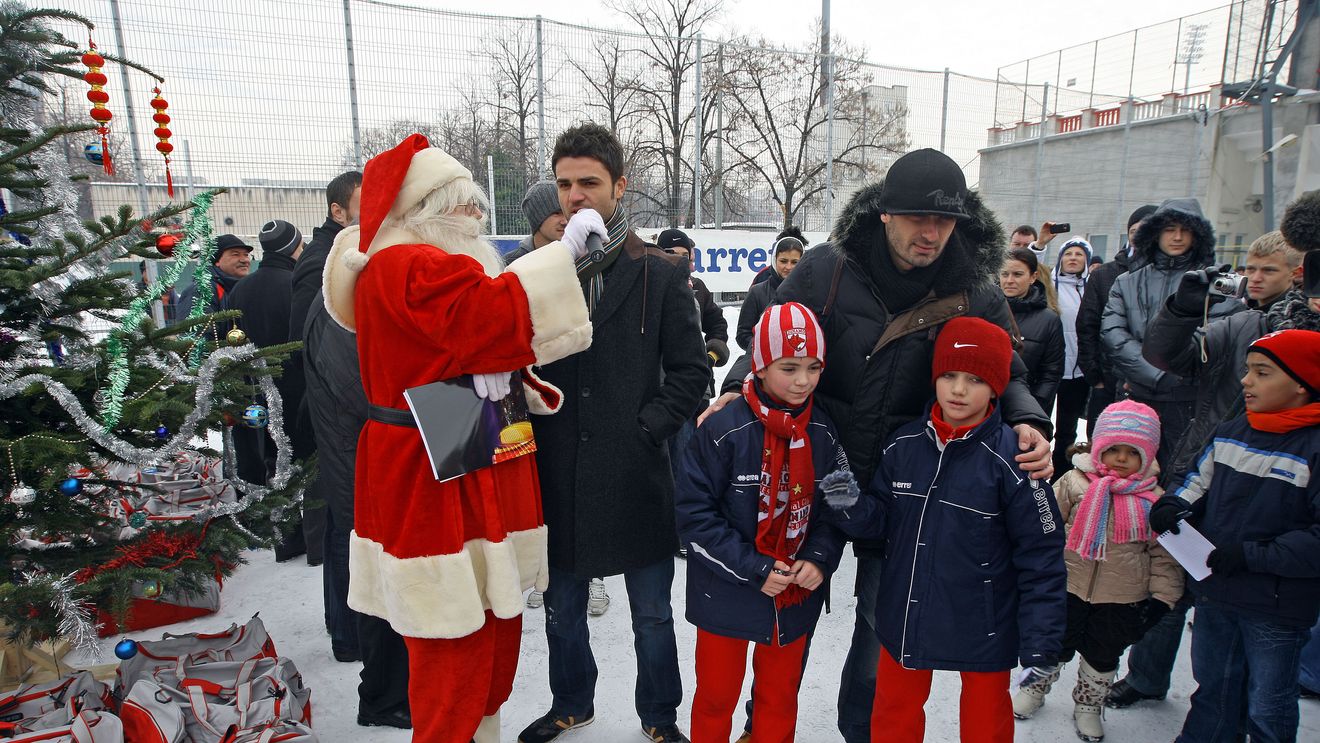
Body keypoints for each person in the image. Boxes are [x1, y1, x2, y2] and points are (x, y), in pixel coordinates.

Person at [702, 147, 1055, 743]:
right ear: (886, 214)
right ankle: (761, 728)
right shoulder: (827, 268)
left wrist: (1028, 420)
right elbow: (772, 341)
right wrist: (738, 387)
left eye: (945, 221)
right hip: (813, 473)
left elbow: (1006, 368)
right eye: (919, 217)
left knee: (879, 626)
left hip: (909, 488)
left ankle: (861, 733)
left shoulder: (971, 284)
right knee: (783, 610)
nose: (932, 232)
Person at [322, 133, 596, 743]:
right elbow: (487, 318)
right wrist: (562, 255)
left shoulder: (430, 261)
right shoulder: (406, 263)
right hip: (431, 468)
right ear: (425, 209)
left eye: (477, 203)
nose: (477, 215)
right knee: (452, 644)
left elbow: (467, 340)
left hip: (456, 450)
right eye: (463, 202)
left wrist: (503, 374)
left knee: (488, 632)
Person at [519, 123, 709, 743]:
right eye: (565, 183)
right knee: (562, 610)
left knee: (652, 615)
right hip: (560, 472)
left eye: (590, 183)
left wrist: (648, 428)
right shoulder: (535, 272)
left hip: (635, 474)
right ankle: (572, 702)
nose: (575, 196)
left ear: (619, 187)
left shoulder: (658, 271)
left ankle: (659, 717)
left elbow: (690, 370)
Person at [822, 317, 1067, 743]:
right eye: (948, 375)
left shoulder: (1017, 459)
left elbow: (1042, 555)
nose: (957, 390)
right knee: (894, 711)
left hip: (984, 618)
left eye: (974, 379)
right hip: (908, 608)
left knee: (986, 717)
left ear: (996, 386)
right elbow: (882, 519)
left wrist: (1042, 638)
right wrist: (846, 501)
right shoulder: (904, 444)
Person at [676, 302, 847, 743]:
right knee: (716, 697)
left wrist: (819, 558)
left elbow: (834, 511)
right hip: (726, 592)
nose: (803, 380)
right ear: (761, 363)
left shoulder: (824, 432)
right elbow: (693, 516)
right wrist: (753, 567)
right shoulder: (722, 429)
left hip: (793, 596)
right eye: (789, 367)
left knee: (778, 698)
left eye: (814, 367)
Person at [1149, 329, 1320, 743]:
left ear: (1302, 384)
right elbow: (1197, 479)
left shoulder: (1314, 447)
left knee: (1269, 702)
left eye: (1262, 373)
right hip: (1217, 589)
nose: (1246, 381)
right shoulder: (1235, 429)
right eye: (1247, 371)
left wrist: (1252, 556)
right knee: (1214, 689)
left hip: (1277, 605)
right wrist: (1173, 504)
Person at [1012, 400, 1183, 741]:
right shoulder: (1074, 483)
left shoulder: (1153, 500)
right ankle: (1034, 688)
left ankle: (1089, 705)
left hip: (1120, 598)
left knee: (1102, 656)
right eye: (1113, 449)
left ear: (1146, 456)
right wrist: (1032, 568)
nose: (1121, 458)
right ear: (1098, 446)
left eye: (1131, 452)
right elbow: (1044, 525)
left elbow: (1164, 555)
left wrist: (1163, 598)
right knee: (1051, 644)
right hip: (1067, 586)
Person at [301, 287, 411, 729]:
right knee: (379, 591)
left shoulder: (350, 298)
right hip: (360, 471)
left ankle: (392, 689)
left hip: (369, 466)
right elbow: (374, 396)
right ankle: (383, 698)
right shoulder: (336, 306)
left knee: (387, 585)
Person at [1101, 198, 1242, 472]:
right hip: (1135, 394)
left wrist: (1175, 375)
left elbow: (1217, 334)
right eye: (1169, 229)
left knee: (1177, 471)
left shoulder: (1218, 284)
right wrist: (1157, 375)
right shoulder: (1127, 281)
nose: (1177, 237)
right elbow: (1112, 333)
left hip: (1187, 400)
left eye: (1185, 229)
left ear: (1197, 235)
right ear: (1155, 233)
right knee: (1124, 472)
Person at [286, 169, 362, 655]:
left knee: (345, 523)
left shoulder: (338, 254)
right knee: (345, 524)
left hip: (334, 413)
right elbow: (316, 347)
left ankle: (349, 628)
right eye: (365, 203)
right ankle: (349, 633)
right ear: (338, 211)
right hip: (335, 416)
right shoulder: (325, 264)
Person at [224, 220, 303, 500]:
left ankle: (259, 506)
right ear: (292, 248)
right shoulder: (296, 285)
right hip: (293, 386)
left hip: (252, 387)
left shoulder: (240, 289)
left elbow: (228, 337)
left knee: (263, 452)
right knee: (294, 455)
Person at [1077, 205, 1156, 437]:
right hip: (1107, 378)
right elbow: (1086, 325)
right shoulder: (1104, 275)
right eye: (1135, 230)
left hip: (1150, 382)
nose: (1140, 237)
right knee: (1099, 444)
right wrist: (1095, 376)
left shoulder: (1173, 277)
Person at [289, 170, 362, 349]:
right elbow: (302, 338)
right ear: (338, 212)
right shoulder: (321, 260)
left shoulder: (345, 249)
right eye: (367, 205)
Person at [1000, 246, 1064, 414]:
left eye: (1018, 274)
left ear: (1033, 277)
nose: (1009, 280)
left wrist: (1034, 409)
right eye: (1004, 274)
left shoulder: (1049, 320)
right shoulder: (986, 310)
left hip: (1028, 407)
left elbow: (1052, 372)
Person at [1051, 237, 1094, 478]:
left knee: (1068, 428)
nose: (1073, 258)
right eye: (1069, 254)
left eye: (1079, 254)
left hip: (1078, 370)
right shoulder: (1050, 284)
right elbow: (1027, 268)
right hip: (1050, 366)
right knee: (1040, 422)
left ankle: (1061, 474)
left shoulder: (1091, 288)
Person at [737, 228, 806, 350]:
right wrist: (766, 349)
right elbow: (743, 334)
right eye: (783, 261)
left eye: (794, 262)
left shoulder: (810, 292)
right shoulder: (757, 292)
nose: (788, 267)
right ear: (774, 260)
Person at [176, 233, 251, 326]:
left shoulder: (247, 289)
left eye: (246, 255)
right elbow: (196, 335)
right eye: (235, 254)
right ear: (217, 261)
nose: (244, 260)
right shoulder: (202, 291)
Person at [504, 180, 567, 263]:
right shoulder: (511, 263)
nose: (565, 221)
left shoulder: (580, 258)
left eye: (566, 212)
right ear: (536, 218)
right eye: (556, 213)